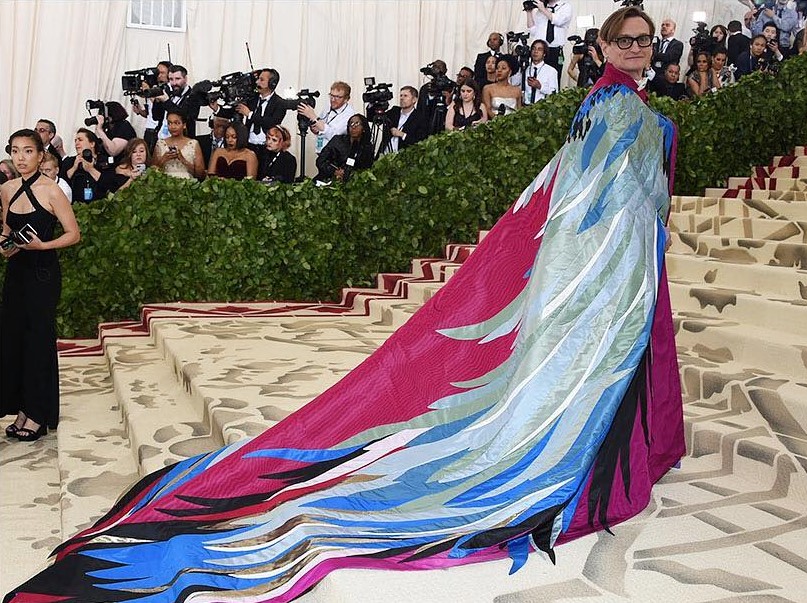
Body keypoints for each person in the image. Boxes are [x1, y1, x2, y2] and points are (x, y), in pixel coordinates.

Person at [4, 6, 684, 601]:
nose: (634, 48)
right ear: (602, 46)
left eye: (644, 40)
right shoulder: (612, 106)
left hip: (621, 266)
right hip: (610, 270)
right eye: (623, 39)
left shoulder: (619, 105)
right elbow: (589, 208)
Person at [1, 129, 80, 442]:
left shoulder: (52, 190)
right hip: (16, 272)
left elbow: (73, 234)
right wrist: (5, 245)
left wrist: (43, 246)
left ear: (40, 154)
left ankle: (37, 414)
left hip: (43, 274)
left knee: (37, 341)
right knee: (14, 339)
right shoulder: (7, 189)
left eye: (28, 151)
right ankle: (22, 409)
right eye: (15, 151)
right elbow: (7, 230)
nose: (21, 157)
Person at [235, 68, 290, 163]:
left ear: (272, 83)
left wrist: (250, 114)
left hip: (267, 150)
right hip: (248, 147)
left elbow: (272, 123)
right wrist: (217, 109)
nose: (257, 82)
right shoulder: (251, 99)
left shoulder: (279, 103)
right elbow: (235, 109)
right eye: (258, 79)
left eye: (262, 80)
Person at [298, 80, 356, 156]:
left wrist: (313, 116)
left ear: (346, 99)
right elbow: (320, 125)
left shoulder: (349, 115)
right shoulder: (328, 107)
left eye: (337, 97)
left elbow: (334, 135)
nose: (333, 100)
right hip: (322, 152)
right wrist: (315, 127)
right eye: (331, 95)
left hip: (336, 155)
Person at [314, 114, 374, 184]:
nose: (353, 126)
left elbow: (367, 169)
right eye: (351, 124)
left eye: (357, 124)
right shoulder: (337, 141)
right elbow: (320, 161)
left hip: (353, 184)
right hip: (328, 180)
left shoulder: (367, 147)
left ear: (363, 128)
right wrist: (334, 171)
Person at [525, 0, 573, 84]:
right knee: (535, 77)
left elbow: (558, 21)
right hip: (539, 49)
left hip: (554, 50)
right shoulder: (541, 8)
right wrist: (529, 12)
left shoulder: (565, 6)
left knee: (552, 80)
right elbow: (533, 31)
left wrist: (543, 9)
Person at [150, 64, 204, 138]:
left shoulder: (193, 95)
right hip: (162, 138)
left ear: (185, 79)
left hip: (184, 140)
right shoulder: (168, 93)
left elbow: (187, 117)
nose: (174, 83)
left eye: (178, 79)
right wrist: (157, 102)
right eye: (171, 79)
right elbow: (156, 117)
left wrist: (166, 101)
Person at [152, 110, 205, 180]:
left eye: (177, 123)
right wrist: (163, 159)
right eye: (169, 123)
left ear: (184, 125)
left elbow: (200, 175)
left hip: (187, 183)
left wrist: (183, 160)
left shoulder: (193, 144)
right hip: (164, 182)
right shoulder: (160, 143)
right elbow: (152, 172)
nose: (173, 127)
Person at [132, 60, 171, 149]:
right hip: (149, 130)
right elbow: (150, 114)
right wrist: (140, 111)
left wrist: (149, 92)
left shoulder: (168, 90)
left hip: (162, 131)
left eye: (162, 73)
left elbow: (161, 108)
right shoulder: (154, 87)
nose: (159, 75)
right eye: (157, 72)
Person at [60, 128, 105, 203]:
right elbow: (61, 182)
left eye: (80, 140)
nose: (76, 143)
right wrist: (74, 168)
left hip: (99, 204)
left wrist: (91, 169)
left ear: (92, 144)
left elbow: (108, 184)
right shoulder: (69, 161)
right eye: (75, 141)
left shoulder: (103, 161)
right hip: (75, 204)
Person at [380, 86, 429, 155]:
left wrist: (402, 135)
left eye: (405, 96)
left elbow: (419, 141)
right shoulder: (394, 111)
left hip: (403, 156)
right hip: (384, 155)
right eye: (401, 95)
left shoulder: (420, 118)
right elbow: (373, 118)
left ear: (414, 100)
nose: (402, 98)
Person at [92, 101, 138, 166]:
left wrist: (100, 130)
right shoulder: (108, 129)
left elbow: (113, 150)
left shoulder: (124, 126)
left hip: (123, 165)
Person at [522, 39, 560, 105]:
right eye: (533, 49)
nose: (535, 51)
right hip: (526, 106)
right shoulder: (526, 69)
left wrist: (540, 87)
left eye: (539, 49)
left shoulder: (551, 71)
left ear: (544, 54)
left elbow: (554, 94)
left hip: (542, 107)